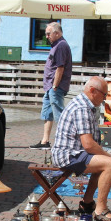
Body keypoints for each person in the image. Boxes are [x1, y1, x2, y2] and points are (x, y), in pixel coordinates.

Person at [50, 76, 111, 221]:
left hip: (74, 152)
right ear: (93, 91)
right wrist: (109, 157)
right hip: (67, 155)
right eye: (104, 94)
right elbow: (88, 144)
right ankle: (101, 210)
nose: (104, 99)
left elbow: (89, 145)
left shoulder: (85, 105)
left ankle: (87, 203)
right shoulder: (82, 107)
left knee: (104, 163)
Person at [31, 21, 72, 149]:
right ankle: (45, 142)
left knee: (60, 115)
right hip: (50, 87)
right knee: (47, 114)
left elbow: (60, 67)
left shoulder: (61, 45)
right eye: (46, 34)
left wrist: (55, 86)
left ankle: (64, 143)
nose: (46, 36)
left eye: (48, 34)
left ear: (57, 33)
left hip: (55, 87)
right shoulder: (56, 45)